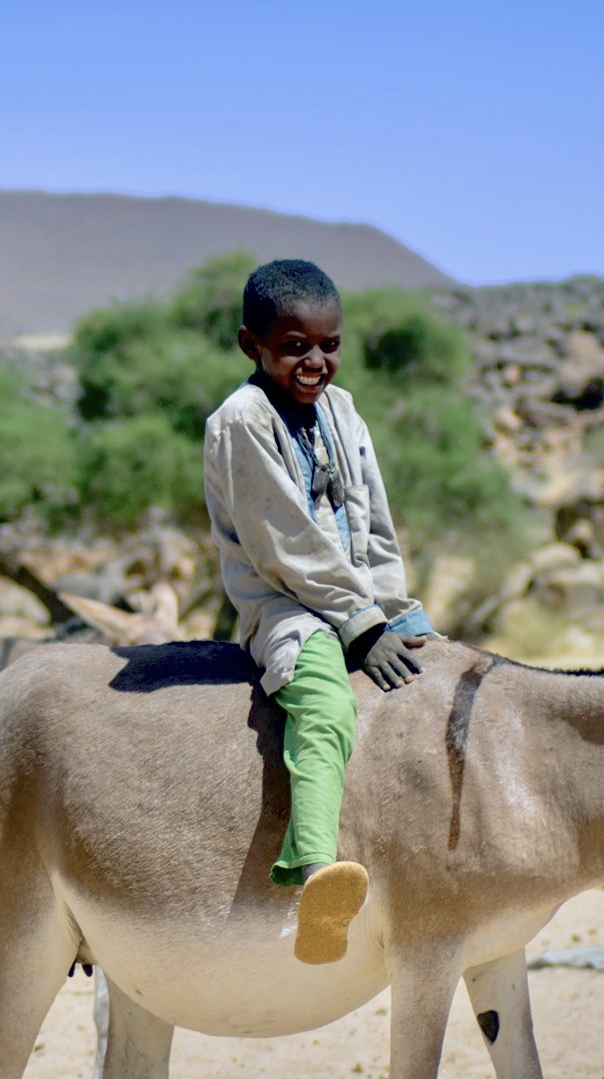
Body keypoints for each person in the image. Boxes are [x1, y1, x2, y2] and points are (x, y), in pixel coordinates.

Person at [203, 259, 436, 966]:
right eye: (295, 345)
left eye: (329, 345)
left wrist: (394, 611)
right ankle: (313, 874)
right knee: (327, 704)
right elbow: (286, 545)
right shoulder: (241, 421)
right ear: (252, 345)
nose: (315, 361)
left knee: (444, 679)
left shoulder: (343, 409)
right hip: (286, 607)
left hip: (361, 598)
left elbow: (373, 523)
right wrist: (361, 627)